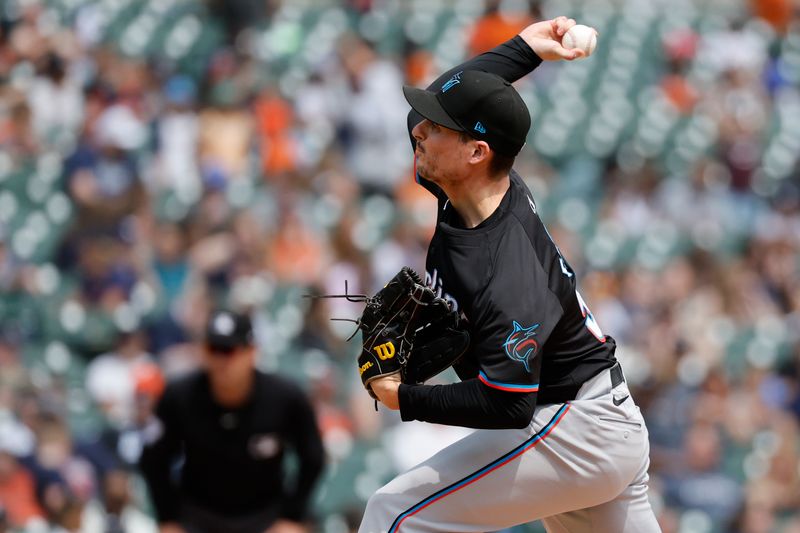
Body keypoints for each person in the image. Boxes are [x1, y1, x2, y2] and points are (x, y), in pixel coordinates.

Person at [359, 17, 661, 532]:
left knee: (394, 515)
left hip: (575, 428)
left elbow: (507, 405)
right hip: (595, 421)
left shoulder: (505, 268)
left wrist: (402, 398)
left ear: (477, 152)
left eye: (436, 128)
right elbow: (443, 101)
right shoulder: (477, 182)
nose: (418, 130)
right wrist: (523, 49)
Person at [139, 310, 325, 533]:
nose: (221, 360)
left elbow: (313, 457)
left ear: (251, 352)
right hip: (197, 516)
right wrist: (167, 519)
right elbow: (153, 460)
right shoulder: (179, 397)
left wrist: (291, 517)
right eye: (213, 349)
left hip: (265, 516)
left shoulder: (285, 398)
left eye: (229, 350)